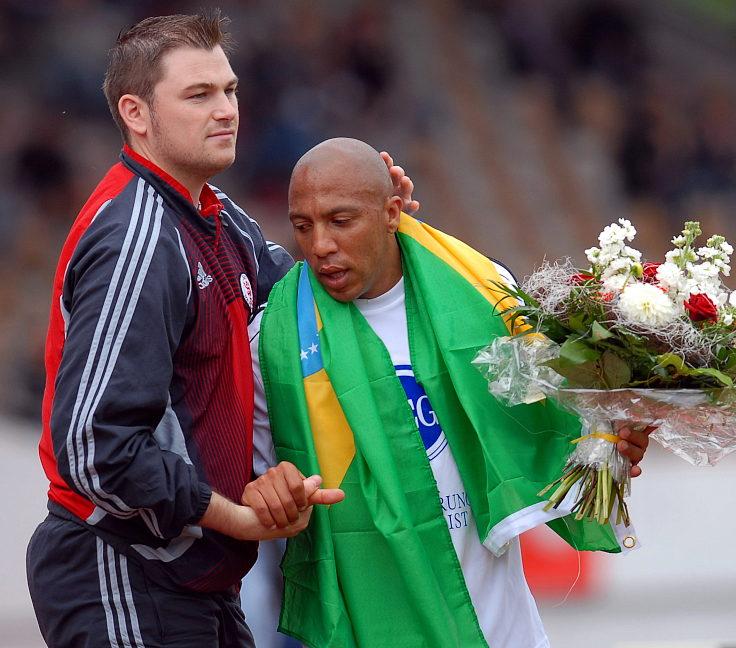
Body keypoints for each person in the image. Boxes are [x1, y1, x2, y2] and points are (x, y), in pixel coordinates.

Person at [26, 14, 422, 648]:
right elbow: (94, 447)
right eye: (198, 95)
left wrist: (374, 223)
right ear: (135, 112)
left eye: (230, 90)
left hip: (190, 577)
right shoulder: (137, 235)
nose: (226, 110)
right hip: (121, 570)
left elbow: (307, 299)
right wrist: (235, 515)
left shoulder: (212, 213)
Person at [248, 138, 652, 647]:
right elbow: (259, 490)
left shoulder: (484, 294)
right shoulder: (273, 342)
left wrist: (608, 447)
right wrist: (269, 498)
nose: (320, 244)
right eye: (302, 226)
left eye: (341, 220)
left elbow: (555, 430)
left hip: (503, 631)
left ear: (392, 212)